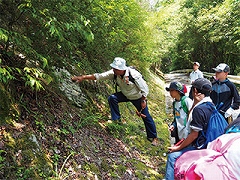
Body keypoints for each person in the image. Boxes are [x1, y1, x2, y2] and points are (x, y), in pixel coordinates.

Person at [71, 57, 158, 146]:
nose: (113, 70)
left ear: (121, 69)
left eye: (116, 68)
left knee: (146, 116)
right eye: (113, 68)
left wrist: (143, 100)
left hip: (137, 97)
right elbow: (99, 76)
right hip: (125, 94)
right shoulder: (114, 73)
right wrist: (83, 77)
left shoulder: (134, 75)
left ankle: (154, 137)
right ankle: (116, 120)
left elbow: (145, 89)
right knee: (112, 98)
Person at [165, 78, 213, 180]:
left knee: (172, 156)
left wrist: (178, 148)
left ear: (195, 91)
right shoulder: (211, 105)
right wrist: (173, 124)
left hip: (196, 143)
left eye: (171, 90)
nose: (170, 93)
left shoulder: (192, 105)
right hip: (185, 135)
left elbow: (194, 133)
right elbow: (177, 117)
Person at [174, 117, 240, 180]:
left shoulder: (230, 138)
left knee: (173, 157)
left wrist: (178, 148)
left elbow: (209, 148)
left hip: (214, 173)